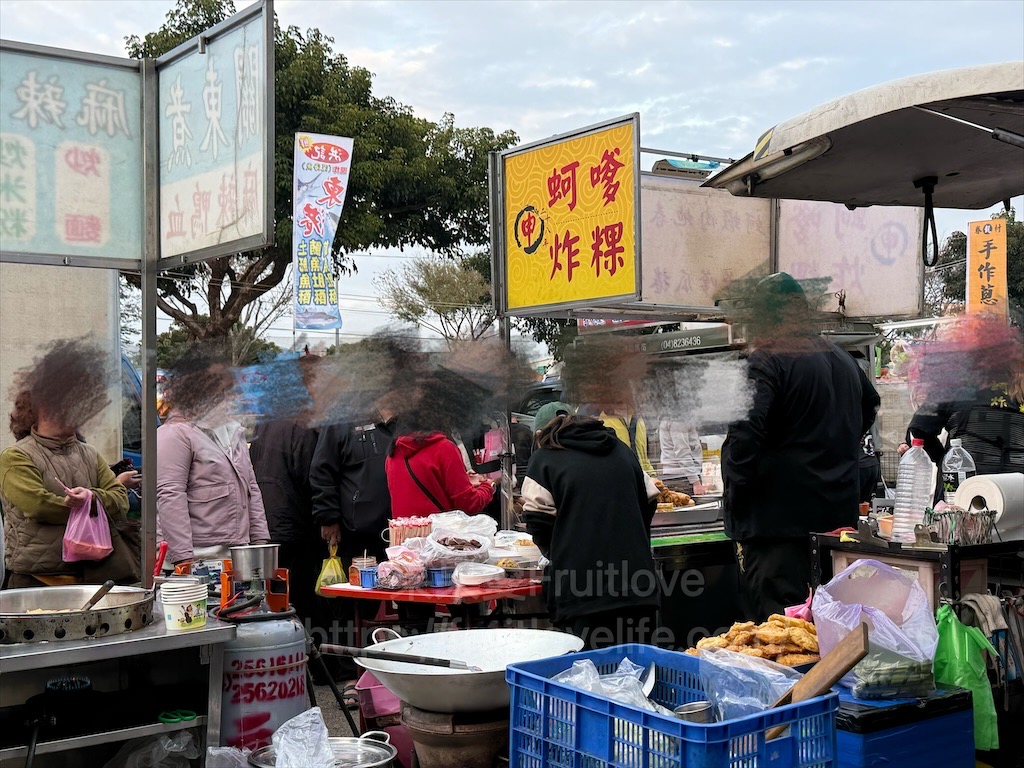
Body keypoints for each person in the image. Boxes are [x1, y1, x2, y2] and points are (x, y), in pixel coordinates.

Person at [722, 273, 879, 620]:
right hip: (836, 528)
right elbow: (870, 406)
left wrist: (737, 500)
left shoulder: (766, 361)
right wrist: (835, 445)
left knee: (781, 636)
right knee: (832, 630)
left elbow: (743, 437)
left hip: (778, 534)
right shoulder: (844, 361)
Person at [521, 413, 661, 649]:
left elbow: (537, 522)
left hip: (581, 595)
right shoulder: (623, 451)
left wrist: (561, 551)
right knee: (638, 668)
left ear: (543, 434)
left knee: (588, 669)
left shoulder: (545, 459)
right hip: (638, 591)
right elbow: (649, 502)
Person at [1, 340, 131, 588]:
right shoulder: (15, 456)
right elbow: (38, 506)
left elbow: (120, 500)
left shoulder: (89, 453)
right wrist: (84, 504)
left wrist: (91, 497)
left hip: (91, 577)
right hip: (35, 580)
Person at [156, 348, 269, 573]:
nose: (228, 394)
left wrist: (260, 542)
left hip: (236, 555)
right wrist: (183, 559)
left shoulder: (233, 431)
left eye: (229, 387)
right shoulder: (176, 433)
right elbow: (170, 495)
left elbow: (251, 489)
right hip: (197, 558)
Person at [658, 417, 703, 496]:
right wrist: (695, 481)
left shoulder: (669, 418)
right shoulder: (677, 421)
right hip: (683, 477)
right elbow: (682, 452)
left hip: (681, 475)